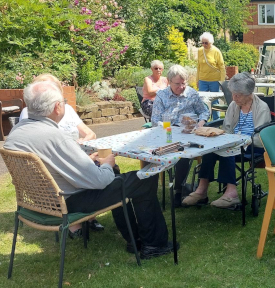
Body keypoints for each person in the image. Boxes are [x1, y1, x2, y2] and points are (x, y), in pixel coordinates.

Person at [5, 81, 173, 258]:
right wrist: (107, 163)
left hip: (40, 202)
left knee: (117, 178)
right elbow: (99, 181)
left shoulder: (16, 133)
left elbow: (52, 164)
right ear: (57, 107)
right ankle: (154, 245)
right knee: (143, 179)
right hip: (69, 201)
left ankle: (135, 240)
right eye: (64, 101)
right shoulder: (55, 137)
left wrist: (86, 160)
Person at [181, 73, 270, 209]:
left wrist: (237, 141)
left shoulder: (262, 108)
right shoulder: (234, 105)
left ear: (249, 93)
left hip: (252, 145)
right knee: (210, 149)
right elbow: (227, 128)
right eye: (233, 93)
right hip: (233, 142)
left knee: (227, 149)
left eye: (238, 95)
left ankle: (231, 193)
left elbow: (261, 137)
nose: (234, 98)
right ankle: (202, 189)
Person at [151, 64, 211, 202]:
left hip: (189, 133)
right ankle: (155, 191)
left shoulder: (191, 93)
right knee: (161, 151)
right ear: (169, 81)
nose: (181, 87)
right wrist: (170, 128)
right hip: (167, 133)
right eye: (177, 84)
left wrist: (200, 123)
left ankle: (179, 189)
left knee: (184, 152)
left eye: (183, 83)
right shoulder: (161, 96)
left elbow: (204, 111)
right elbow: (155, 120)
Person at [18, 74, 96, 141]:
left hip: (75, 152)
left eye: (53, 87)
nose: (50, 91)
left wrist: (86, 140)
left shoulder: (68, 109)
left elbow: (90, 134)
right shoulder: (30, 112)